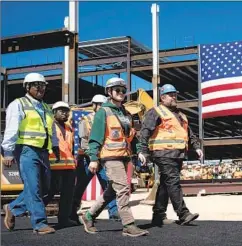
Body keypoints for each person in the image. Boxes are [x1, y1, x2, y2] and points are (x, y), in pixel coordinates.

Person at [80, 77, 149, 237]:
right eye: (117, 90)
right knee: (124, 188)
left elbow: (132, 136)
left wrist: (138, 150)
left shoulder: (126, 113)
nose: (121, 93)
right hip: (109, 158)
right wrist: (94, 158)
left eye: (123, 90)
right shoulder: (103, 112)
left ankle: (89, 215)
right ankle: (128, 224)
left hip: (124, 157)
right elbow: (95, 138)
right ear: (109, 92)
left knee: (112, 190)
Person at [138, 84, 203, 227]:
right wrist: (142, 151)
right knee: (173, 182)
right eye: (171, 95)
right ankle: (183, 213)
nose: (174, 97)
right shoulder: (155, 112)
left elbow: (189, 134)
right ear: (162, 97)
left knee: (165, 185)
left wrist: (197, 147)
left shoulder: (181, 115)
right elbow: (144, 132)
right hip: (162, 153)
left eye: (175, 94)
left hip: (178, 154)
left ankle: (158, 215)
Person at [1, 73, 57, 234]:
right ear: (27, 87)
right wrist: (8, 151)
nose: (40, 88)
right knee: (33, 188)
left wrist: (55, 146)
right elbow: (11, 128)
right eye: (36, 85)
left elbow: (51, 130)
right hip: (26, 150)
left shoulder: (46, 107)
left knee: (46, 188)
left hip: (43, 151)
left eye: (43, 85)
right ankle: (39, 223)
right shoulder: (18, 104)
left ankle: (12, 208)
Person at [70, 94, 119, 223]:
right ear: (94, 106)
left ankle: (114, 212)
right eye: (100, 105)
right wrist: (92, 157)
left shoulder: (108, 119)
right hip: (87, 159)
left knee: (109, 185)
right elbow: (84, 141)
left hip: (103, 158)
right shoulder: (85, 120)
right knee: (81, 186)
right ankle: (71, 212)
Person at [43, 101, 77, 228]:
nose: (64, 113)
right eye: (61, 111)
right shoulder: (49, 125)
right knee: (49, 193)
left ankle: (64, 219)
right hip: (53, 166)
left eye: (66, 111)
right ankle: (38, 216)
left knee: (68, 194)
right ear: (54, 113)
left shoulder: (69, 128)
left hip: (69, 166)